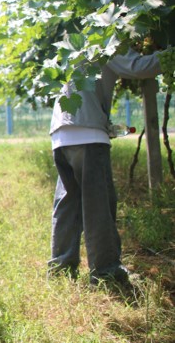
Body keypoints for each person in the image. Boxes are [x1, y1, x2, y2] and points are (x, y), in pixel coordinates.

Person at [48, 47, 165, 287]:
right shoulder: (108, 43)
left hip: (60, 135)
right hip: (89, 138)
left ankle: (61, 268)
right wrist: (168, 55)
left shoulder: (75, 47)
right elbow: (141, 67)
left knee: (68, 204)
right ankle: (106, 272)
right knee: (98, 206)